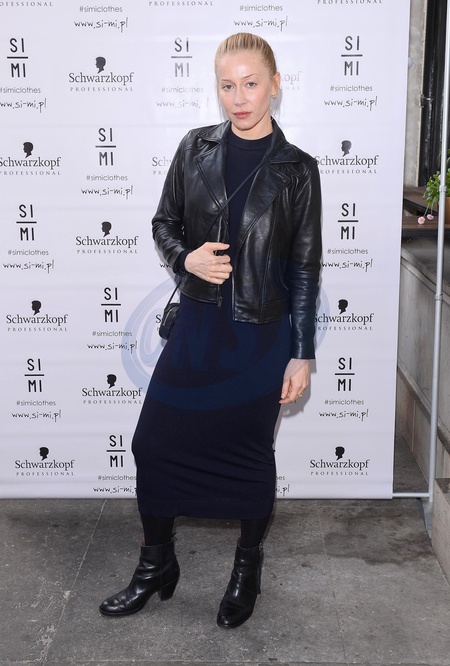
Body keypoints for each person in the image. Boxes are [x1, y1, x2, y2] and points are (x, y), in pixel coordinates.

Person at [99, 32, 322, 629]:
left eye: (251, 84)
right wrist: (186, 259)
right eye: (228, 85)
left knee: (248, 454)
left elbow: (305, 267)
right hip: (198, 323)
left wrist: (302, 354)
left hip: (260, 334)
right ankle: (155, 564)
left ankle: (247, 567)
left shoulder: (298, 170)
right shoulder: (194, 147)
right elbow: (163, 222)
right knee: (152, 444)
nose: (239, 98)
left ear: (275, 85)